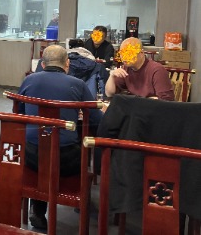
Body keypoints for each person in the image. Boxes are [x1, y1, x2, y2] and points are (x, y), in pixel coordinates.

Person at [17, 45, 104, 230]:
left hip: (31, 156)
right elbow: (96, 120)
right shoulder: (77, 84)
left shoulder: (28, 80)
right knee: (76, 153)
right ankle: (81, 201)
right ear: (67, 64)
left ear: (42, 64)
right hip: (66, 160)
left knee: (44, 154)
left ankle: (37, 209)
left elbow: (20, 112)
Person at [105, 37, 174, 100]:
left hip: (151, 108)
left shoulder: (157, 70)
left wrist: (143, 102)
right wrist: (112, 76)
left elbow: (166, 100)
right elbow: (109, 94)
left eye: (129, 53)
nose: (124, 57)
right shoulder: (125, 69)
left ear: (141, 53)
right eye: (122, 54)